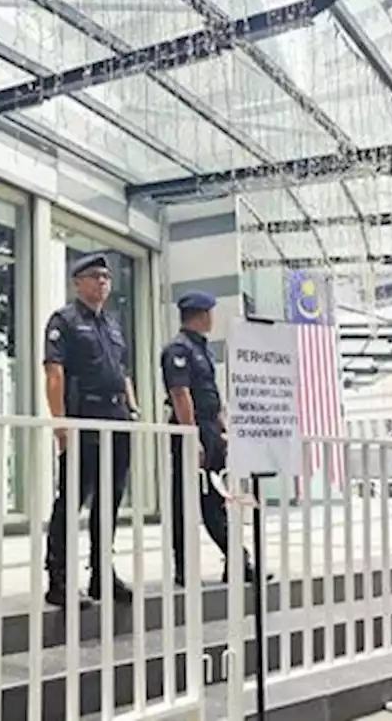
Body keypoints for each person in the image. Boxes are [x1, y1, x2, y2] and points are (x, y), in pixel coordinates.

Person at [44, 252, 140, 607]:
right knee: (72, 500)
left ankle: (103, 574)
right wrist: (61, 424)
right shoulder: (64, 321)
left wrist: (132, 407)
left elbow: (123, 370)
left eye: (106, 277)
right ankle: (59, 580)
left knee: (110, 499)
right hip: (84, 417)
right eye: (95, 276)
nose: (102, 282)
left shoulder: (112, 324)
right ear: (77, 282)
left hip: (116, 418)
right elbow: (54, 374)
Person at [161, 291, 253, 587]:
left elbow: (210, 394)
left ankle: (237, 561)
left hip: (210, 429)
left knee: (215, 500)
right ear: (200, 315)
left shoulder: (201, 350)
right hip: (192, 429)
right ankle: (184, 568)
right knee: (185, 501)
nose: (213, 318)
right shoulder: (178, 349)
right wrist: (192, 436)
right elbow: (180, 393)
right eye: (210, 313)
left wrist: (221, 428)